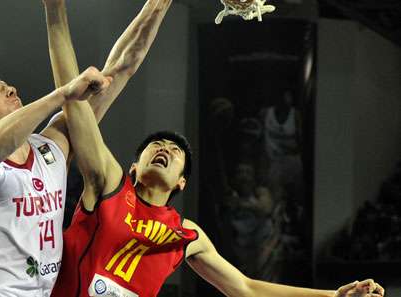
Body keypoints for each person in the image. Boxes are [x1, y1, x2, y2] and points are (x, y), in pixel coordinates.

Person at [51, 49, 386, 297]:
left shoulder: (187, 235)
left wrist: (333, 296)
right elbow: (76, 105)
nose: (165, 148)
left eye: (176, 150)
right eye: (156, 145)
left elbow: (246, 288)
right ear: (134, 167)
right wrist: (56, 13)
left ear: (182, 182)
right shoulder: (110, 185)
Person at [0, 0, 174, 294]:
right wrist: (62, 94)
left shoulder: (51, 148)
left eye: (8, 85)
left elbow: (122, 67)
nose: (11, 89)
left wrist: (158, 4)